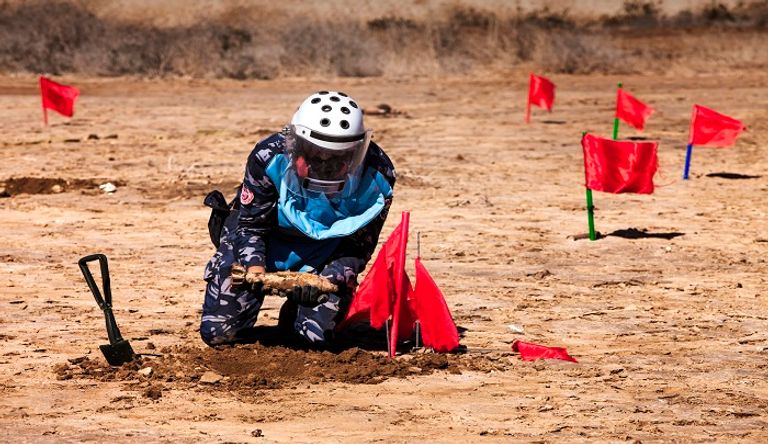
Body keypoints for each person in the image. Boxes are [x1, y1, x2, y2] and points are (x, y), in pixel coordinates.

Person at [200, 90, 396, 346]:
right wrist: (256, 272)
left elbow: (358, 246)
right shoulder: (268, 157)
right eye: (315, 155)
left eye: (336, 158)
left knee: (313, 341)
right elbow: (250, 226)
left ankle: (296, 315)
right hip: (265, 240)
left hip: (327, 252)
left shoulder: (379, 175)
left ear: (354, 153)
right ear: (296, 146)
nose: (324, 166)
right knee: (219, 335)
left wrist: (326, 281)